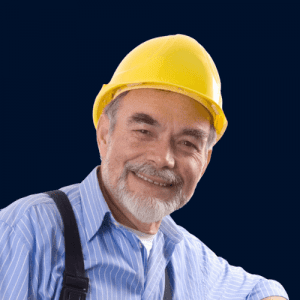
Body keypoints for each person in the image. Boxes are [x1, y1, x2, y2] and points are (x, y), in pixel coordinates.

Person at [0, 34, 289, 300]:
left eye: (188, 143)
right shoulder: (25, 231)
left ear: (205, 161)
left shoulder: (188, 257)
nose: (164, 158)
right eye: (144, 131)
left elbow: (260, 290)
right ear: (104, 134)